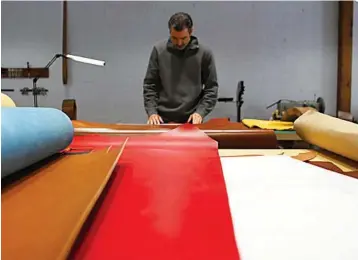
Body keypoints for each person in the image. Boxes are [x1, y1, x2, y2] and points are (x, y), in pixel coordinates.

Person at [143, 12, 219, 125]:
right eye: (174, 38)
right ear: (169, 32)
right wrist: (152, 112)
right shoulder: (159, 50)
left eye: (183, 38)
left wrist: (200, 113)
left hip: (192, 119)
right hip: (162, 119)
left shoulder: (204, 53)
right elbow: (150, 85)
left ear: (191, 31)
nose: (179, 43)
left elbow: (211, 89)